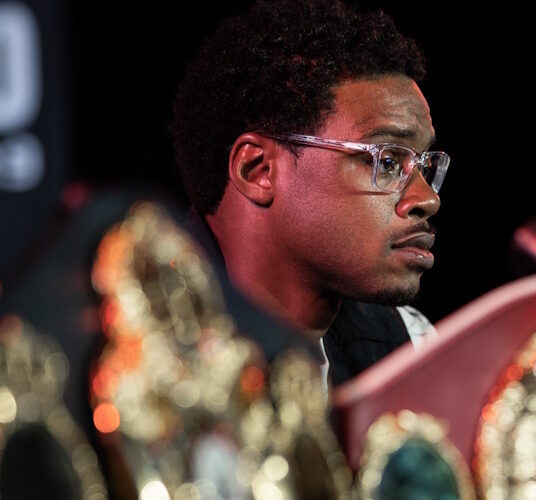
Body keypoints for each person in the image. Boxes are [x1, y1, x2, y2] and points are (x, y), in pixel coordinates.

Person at [170, 0, 450, 386]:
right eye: (387, 161)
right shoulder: (131, 345)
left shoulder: (409, 348)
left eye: (424, 166)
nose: (428, 199)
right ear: (259, 170)